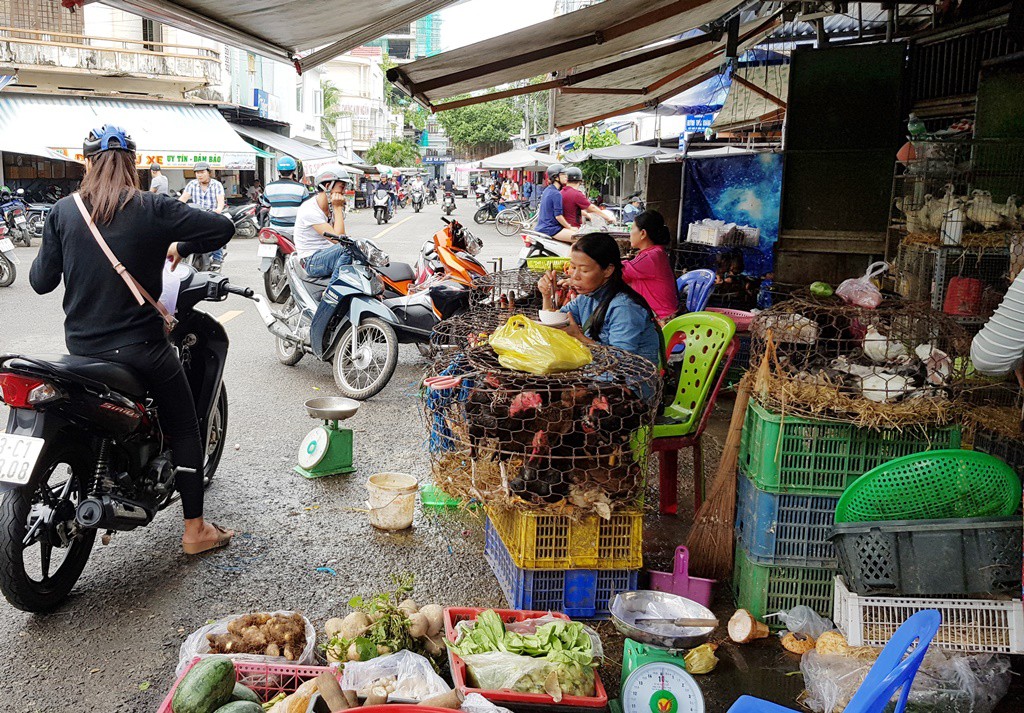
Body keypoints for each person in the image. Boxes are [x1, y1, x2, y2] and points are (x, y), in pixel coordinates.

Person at [30, 124, 235, 554]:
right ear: (134, 164)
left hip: (81, 352)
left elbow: (39, 281)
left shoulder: (64, 211)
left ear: (87, 163)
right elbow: (220, 228)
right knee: (185, 424)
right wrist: (177, 241)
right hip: (143, 351)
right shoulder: (152, 207)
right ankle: (194, 529)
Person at [538, 231, 661, 366]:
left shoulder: (624, 308)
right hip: (597, 376)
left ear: (608, 270)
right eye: (573, 267)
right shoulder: (586, 297)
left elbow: (621, 360)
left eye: (584, 270)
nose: (575, 276)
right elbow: (556, 324)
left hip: (629, 383)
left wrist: (580, 338)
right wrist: (547, 296)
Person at [294, 166, 353, 283]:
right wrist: (337, 208)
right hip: (311, 261)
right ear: (327, 187)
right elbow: (339, 240)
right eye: (341, 187)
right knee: (348, 249)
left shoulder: (330, 207)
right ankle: (332, 290)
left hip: (326, 254)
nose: (344, 191)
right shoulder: (309, 210)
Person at [622, 210, 678, 321]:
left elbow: (618, 272)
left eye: (632, 228)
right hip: (656, 315)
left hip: (662, 320)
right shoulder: (655, 253)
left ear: (643, 233)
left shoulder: (652, 257)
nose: (630, 233)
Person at [179, 161, 227, 268]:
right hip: (196, 216)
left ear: (208, 172)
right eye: (197, 173)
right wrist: (175, 208)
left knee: (214, 233)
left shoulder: (216, 185)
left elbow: (220, 201)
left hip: (212, 215)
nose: (199, 175)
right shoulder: (192, 184)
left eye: (202, 172)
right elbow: (182, 199)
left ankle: (217, 257)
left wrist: (218, 209)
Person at [263, 157, 308, 236]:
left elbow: (266, 205)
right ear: (294, 170)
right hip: (295, 229)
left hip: (275, 229)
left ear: (278, 171)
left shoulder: (268, 187)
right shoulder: (301, 188)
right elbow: (307, 208)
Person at [535, 163, 576, 243]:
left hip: (543, 227)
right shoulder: (556, 193)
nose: (566, 177)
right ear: (556, 177)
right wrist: (569, 227)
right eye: (563, 174)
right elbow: (558, 216)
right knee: (580, 239)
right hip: (551, 229)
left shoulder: (548, 190)